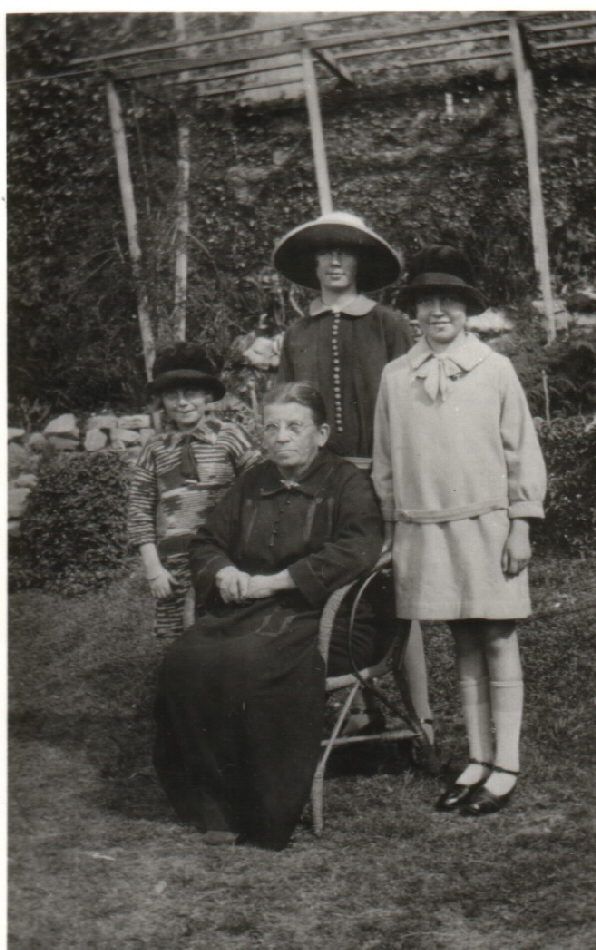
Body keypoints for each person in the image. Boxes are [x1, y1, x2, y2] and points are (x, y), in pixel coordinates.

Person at [154, 383, 389, 850]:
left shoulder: (348, 483)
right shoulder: (253, 481)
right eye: (272, 426)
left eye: (294, 427)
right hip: (251, 609)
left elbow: (357, 549)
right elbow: (207, 540)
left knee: (249, 663)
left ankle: (262, 810)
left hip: (330, 615)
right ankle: (214, 803)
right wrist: (222, 571)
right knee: (183, 662)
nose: (280, 437)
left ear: (320, 434)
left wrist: (278, 580)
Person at [373, 245, 547, 815]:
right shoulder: (397, 377)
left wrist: (520, 525)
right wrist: (394, 531)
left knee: (497, 637)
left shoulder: (494, 368)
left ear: (467, 309)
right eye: (426, 301)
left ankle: (507, 764)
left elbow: (522, 450)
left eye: (449, 300)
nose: (438, 310)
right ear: (414, 311)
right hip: (426, 530)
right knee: (461, 643)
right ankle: (476, 757)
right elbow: (386, 465)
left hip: (487, 525)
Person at [273, 210, 434, 742]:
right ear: (313, 263)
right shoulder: (297, 334)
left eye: (346, 252)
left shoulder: (387, 324)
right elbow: (287, 414)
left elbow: (414, 403)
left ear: (361, 263)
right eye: (326, 252)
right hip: (322, 483)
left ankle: (421, 716)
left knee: (396, 586)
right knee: (332, 583)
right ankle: (358, 702)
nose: (336, 261)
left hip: (383, 475)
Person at [128, 343, 259, 643]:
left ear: (208, 396)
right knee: (180, 642)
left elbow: (259, 489)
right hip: (175, 566)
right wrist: (153, 569)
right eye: (172, 395)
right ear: (161, 400)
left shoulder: (231, 437)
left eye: (191, 393)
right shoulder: (155, 449)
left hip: (227, 558)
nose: (182, 402)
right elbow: (139, 511)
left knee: (230, 631)